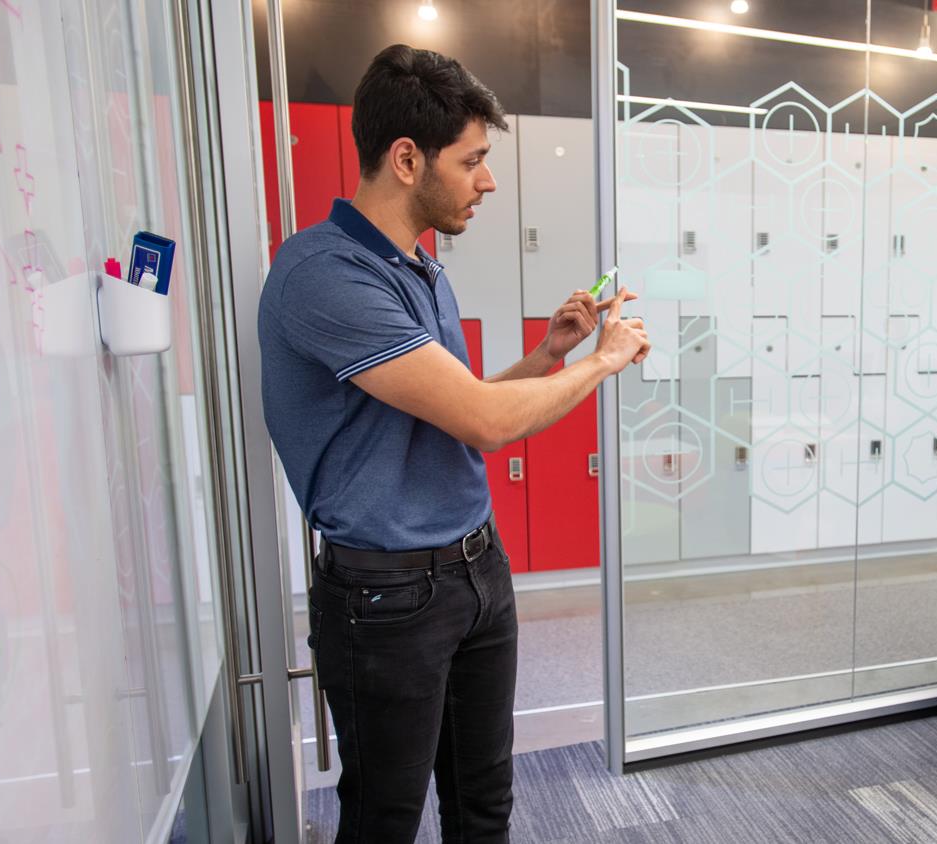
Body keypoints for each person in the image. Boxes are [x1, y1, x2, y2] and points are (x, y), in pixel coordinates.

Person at [258, 44, 649, 843]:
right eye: (472, 161)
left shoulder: (423, 268)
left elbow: (455, 408)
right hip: (387, 600)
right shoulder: (323, 275)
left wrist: (551, 355)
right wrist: (608, 362)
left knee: (484, 809)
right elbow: (482, 422)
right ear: (406, 159)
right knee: (384, 820)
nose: (489, 181)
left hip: (475, 568)